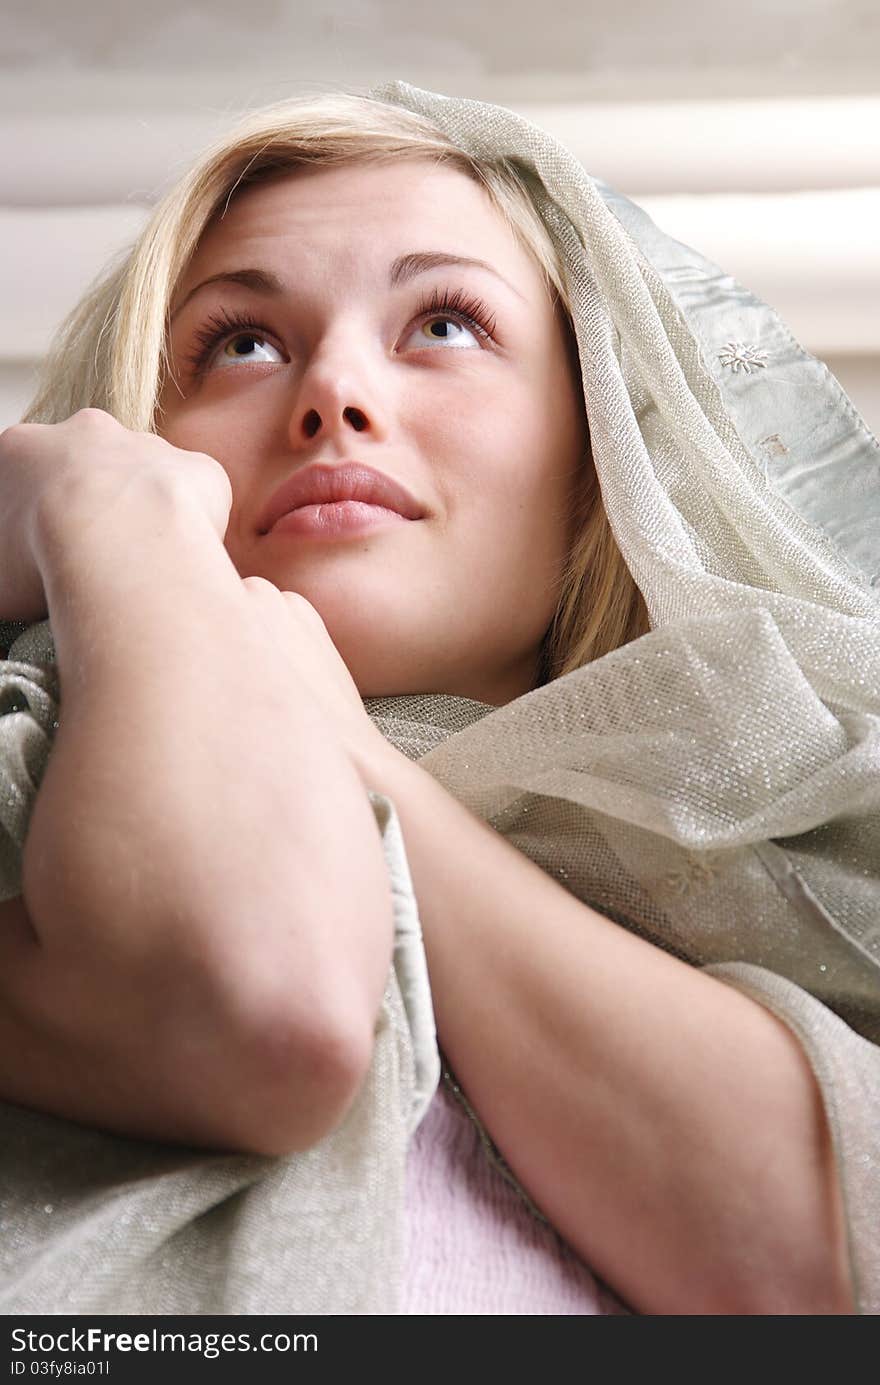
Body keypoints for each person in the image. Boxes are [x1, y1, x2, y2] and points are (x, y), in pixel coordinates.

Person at [0, 80, 877, 1317]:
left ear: (598, 451)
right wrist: (109, 510)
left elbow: (820, 1276)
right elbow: (251, 1004)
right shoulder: (18, 771)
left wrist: (352, 753)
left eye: (447, 324)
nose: (333, 395)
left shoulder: (796, 867)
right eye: (239, 341)